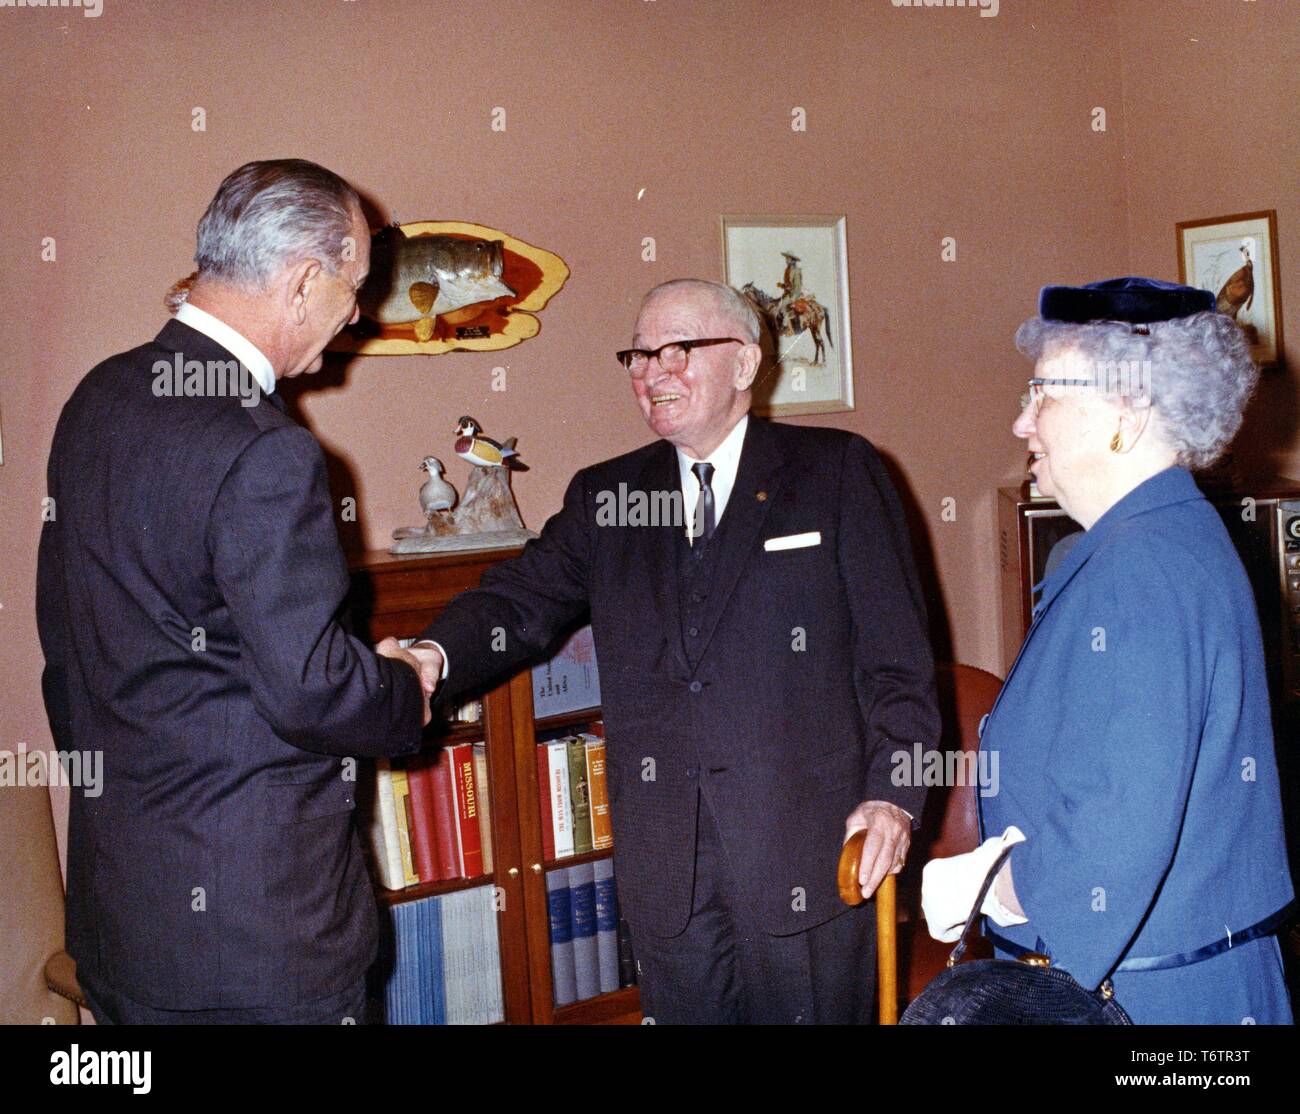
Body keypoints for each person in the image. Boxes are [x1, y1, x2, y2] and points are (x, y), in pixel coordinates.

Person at [407, 279, 940, 1023]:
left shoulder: (839, 472)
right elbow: (518, 601)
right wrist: (432, 654)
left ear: (746, 365)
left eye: (679, 350)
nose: (651, 372)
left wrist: (892, 799)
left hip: (808, 861)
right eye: (638, 354)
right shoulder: (607, 495)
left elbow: (899, 666)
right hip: (668, 879)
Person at [36, 159, 438, 1024]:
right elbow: (311, 694)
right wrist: (403, 684)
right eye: (354, 287)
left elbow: (64, 659)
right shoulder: (266, 449)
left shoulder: (98, 398)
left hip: (125, 924)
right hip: (258, 945)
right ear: (301, 284)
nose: (356, 314)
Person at [922, 277, 1294, 1024]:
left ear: (1126, 412)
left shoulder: (1145, 569)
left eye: (1044, 396)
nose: (1023, 422)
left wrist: (988, 884)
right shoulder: (1152, 541)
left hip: (1157, 1004)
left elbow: (1115, 835)